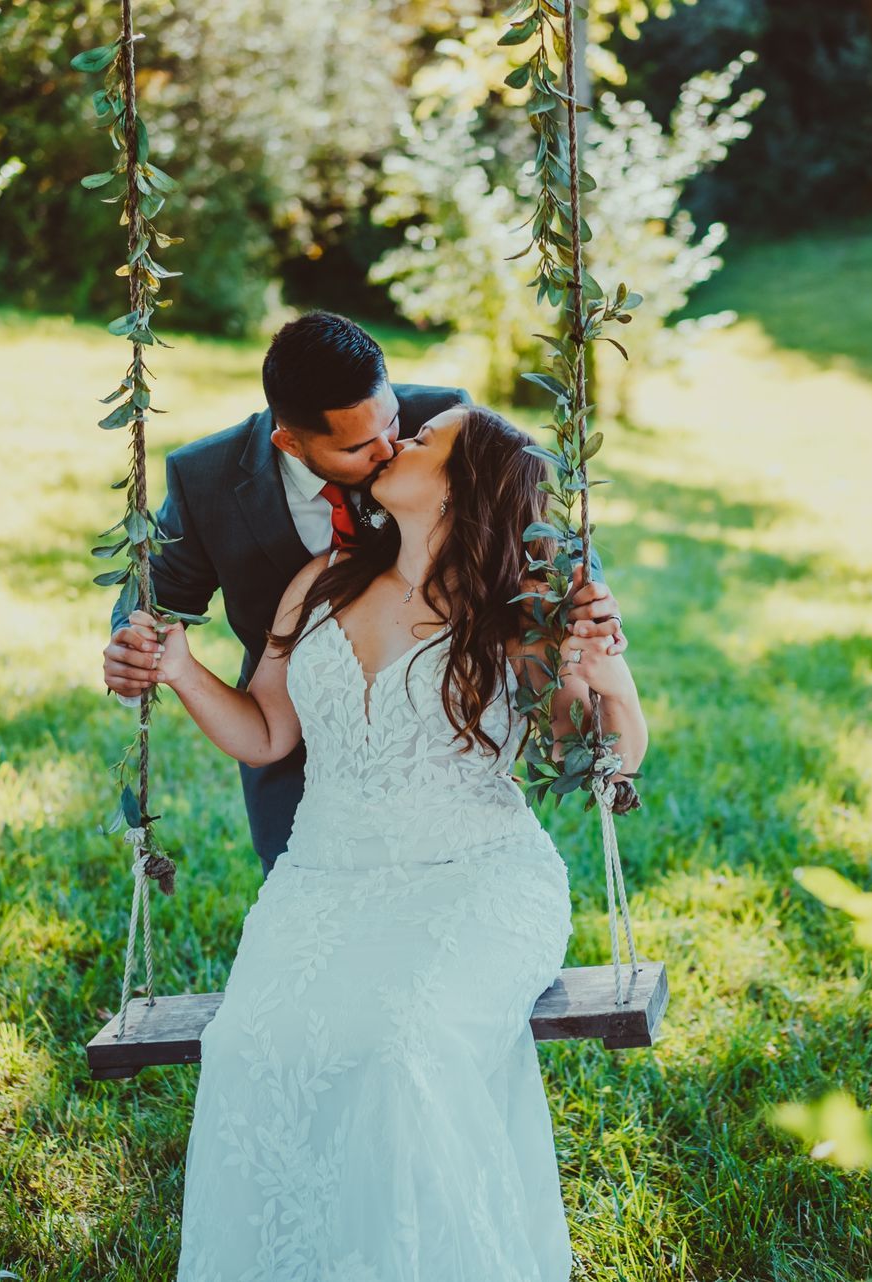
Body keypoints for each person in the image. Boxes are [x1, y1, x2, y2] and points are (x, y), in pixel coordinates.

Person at [133, 403, 648, 1281]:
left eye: (426, 440)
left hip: (475, 879)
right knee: (252, 1047)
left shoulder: (517, 611)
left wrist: (599, 670)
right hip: (322, 887)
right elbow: (266, 735)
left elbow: (596, 757)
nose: (400, 440)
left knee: (401, 1047)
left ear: (461, 486)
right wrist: (180, 671)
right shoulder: (321, 584)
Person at [100, 311, 623, 874]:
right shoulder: (207, 479)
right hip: (300, 739)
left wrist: (583, 609)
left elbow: (524, 517)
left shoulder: (442, 424)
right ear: (291, 443)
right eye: (357, 449)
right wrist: (140, 658)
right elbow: (155, 599)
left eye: (395, 425)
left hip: (448, 747)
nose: (388, 449)